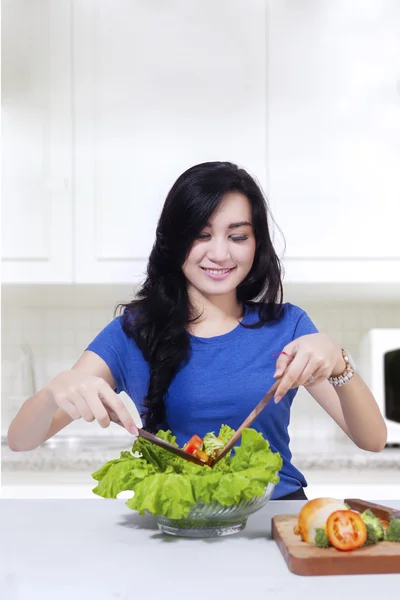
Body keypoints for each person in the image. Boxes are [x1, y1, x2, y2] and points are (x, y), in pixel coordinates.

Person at [7, 161, 387, 500]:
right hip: (175, 525)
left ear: (256, 245)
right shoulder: (131, 332)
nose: (220, 254)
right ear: (174, 242)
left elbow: (372, 440)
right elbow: (21, 440)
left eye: (237, 236)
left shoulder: (288, 326)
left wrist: (338, 361)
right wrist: (54, 391)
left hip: (273, 523)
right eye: (202, 235)